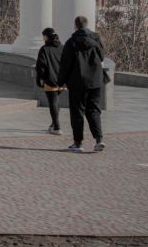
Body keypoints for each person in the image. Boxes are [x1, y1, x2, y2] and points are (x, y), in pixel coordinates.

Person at [57, 15, 107, 153]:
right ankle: (99, 139)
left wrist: (60, 82)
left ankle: (78, 143)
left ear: (75, 25)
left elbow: (65, 65)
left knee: (77, 112)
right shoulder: (96, 39)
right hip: (96, 81)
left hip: (77, 82)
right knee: (94, 110)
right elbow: (102, 57)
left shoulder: (71, 43)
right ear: (86, 24)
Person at [35, 28, 64, 135]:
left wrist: (40, 79)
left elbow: (41, 66)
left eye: (44, 36)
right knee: (56, 101)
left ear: (47, 37)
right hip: (61, 80)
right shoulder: (62, 47)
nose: (43, 38)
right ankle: (53, 124)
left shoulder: (44, 49)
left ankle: (57, 127)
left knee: (53, 102)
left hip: (50, 80)